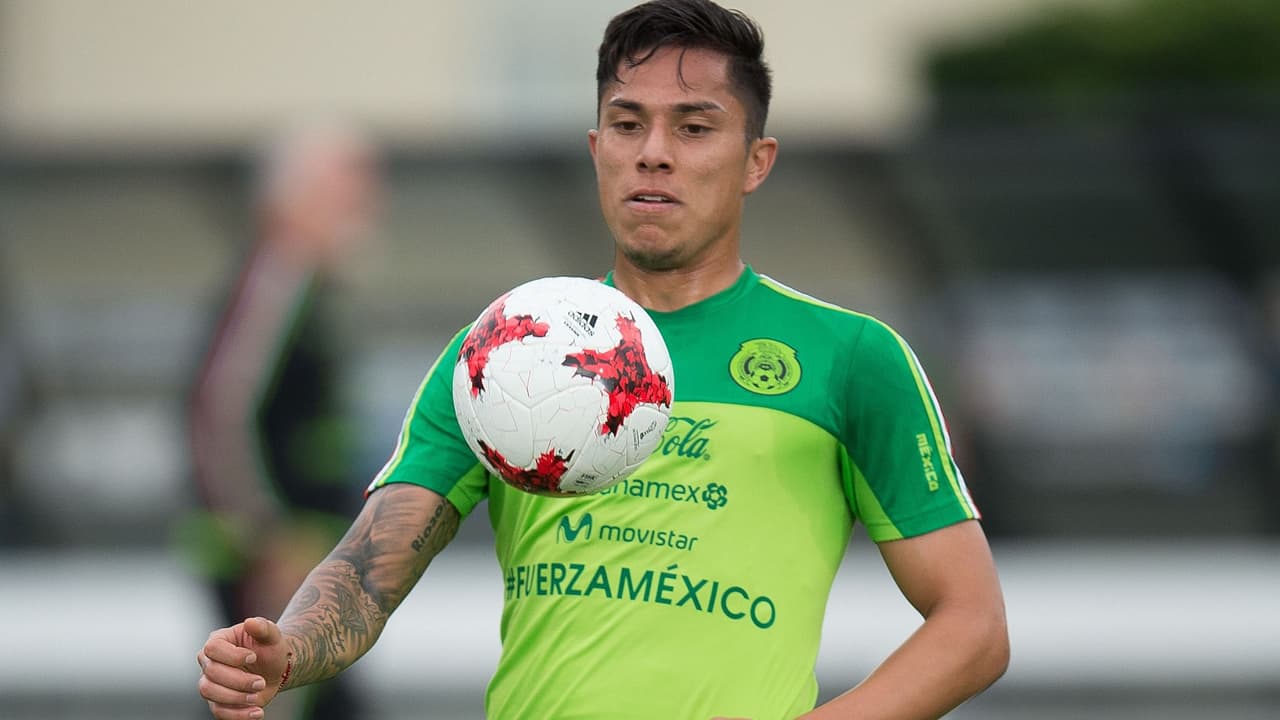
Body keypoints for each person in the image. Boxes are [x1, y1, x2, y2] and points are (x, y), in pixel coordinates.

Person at [196, 2, 1009, 718]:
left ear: (756, 160)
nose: (653, 152)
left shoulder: (852, 357)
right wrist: (288, 649)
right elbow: (371, 567)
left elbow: (973, 626)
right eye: (627, 124)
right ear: (597, 148)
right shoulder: (501, 350)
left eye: (694, 127)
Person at [188, 121, 381, 720]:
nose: (364, 209)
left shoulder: (305, 285)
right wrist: (268, 537)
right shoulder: (278, 278)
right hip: (271, 561)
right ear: (292, 198)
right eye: (345, 191)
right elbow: (215, 410)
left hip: (304, 555)